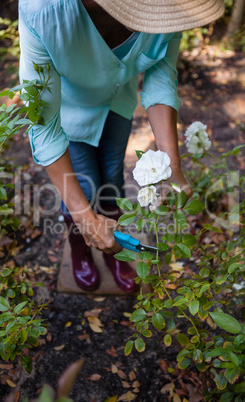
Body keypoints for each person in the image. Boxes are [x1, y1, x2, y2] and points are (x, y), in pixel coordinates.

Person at [18, 0, 224, 292]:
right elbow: (43, 124)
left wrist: (172, 166)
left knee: (112, 177)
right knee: (84, 189)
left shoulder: (171, 8)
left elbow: (161, 78)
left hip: (118, 104)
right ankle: (81, 247)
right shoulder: (41, 12)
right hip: (69, 113)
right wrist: (84, 217)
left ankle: (114, 250)